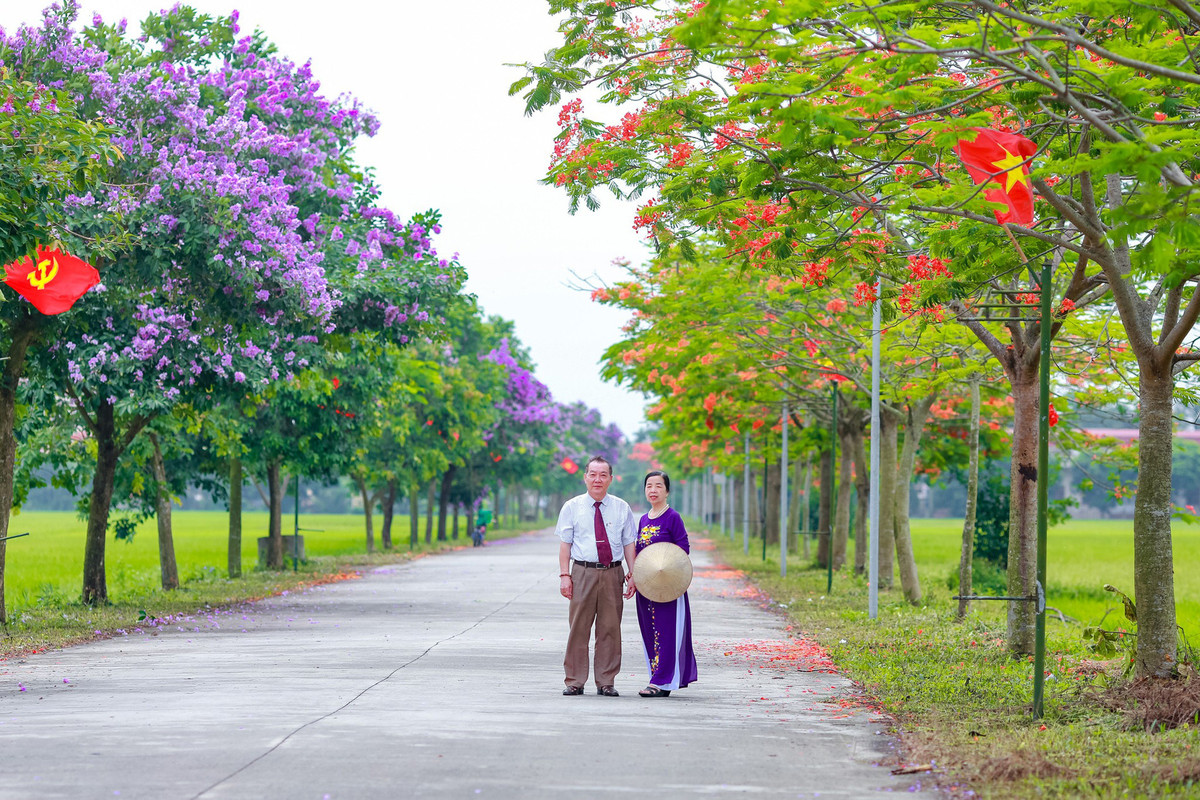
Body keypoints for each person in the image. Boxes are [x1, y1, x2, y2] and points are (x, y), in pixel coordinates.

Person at [556, 455, 638, 696]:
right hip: (582, 572)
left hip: (613, 573)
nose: (597, 479)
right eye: (593, 474)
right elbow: (565, 545)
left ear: (611, 479)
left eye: (603, 475)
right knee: (578, 628)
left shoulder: (622, 507)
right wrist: (564, 575)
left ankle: (606, 681)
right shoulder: (571, 507)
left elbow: (628, 544)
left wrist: (633, 574)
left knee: (610, 628)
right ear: (585, 477)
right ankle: (574, 680)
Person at [634, 470, 697, 698]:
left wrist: (664, 564)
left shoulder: (673, 517)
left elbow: (683, 550)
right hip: (646, 588)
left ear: (667, 491)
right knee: (650, 632)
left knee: (667, 633)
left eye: (658, 486)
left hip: (668, 588)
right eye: (649, 486)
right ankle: (658, 678)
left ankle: (661, 681)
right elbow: (638, 554)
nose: (653, 490)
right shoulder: (642, 519)